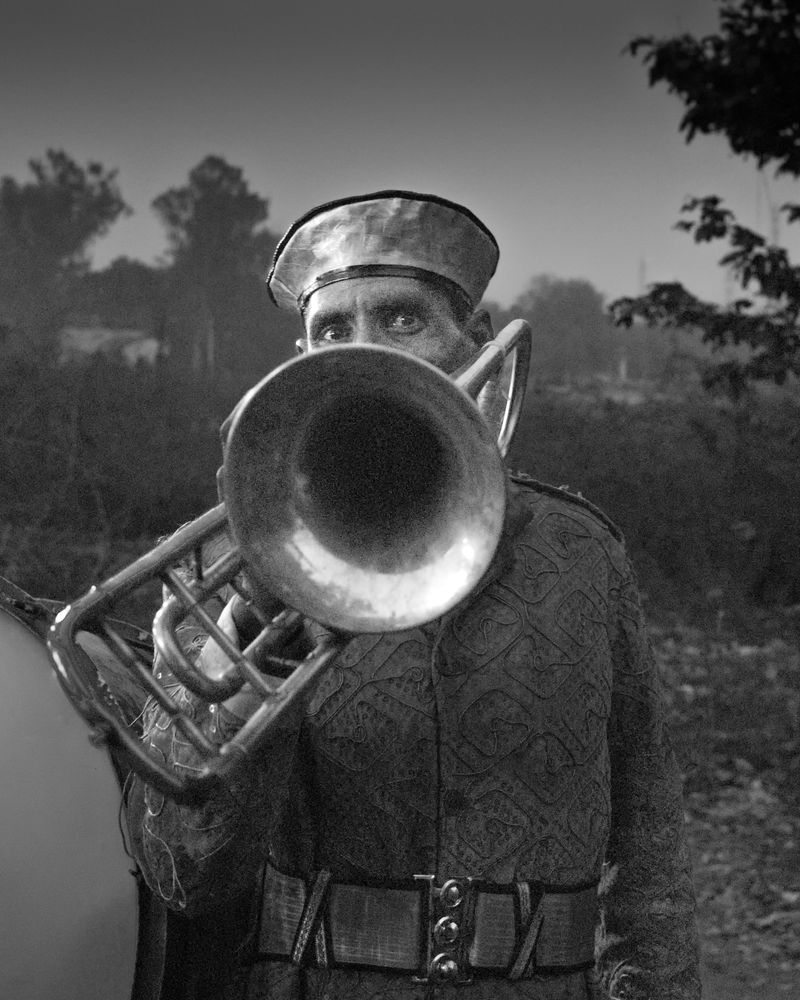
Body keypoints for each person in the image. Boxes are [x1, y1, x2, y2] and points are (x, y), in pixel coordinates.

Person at [125, 191, 701, 1000]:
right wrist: (253, 643)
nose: (363, 352)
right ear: (300, 359)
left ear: (473, 339)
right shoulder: (236, 560)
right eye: (333, 330)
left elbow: (649, 848)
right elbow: (182, 873)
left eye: (401, 319)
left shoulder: (582, 552)